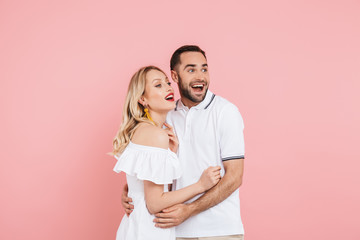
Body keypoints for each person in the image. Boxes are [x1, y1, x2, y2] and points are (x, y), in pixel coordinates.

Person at [122, 46, 246, 240]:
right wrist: (130, 193)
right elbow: (150, 172)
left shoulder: (225, 112)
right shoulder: (166, 115)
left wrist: (190, 210)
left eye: (204, 69)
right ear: (175, 76)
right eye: (191, 70)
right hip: (172, 229)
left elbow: (235, 177)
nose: (200, 76)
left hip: (219, 231)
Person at [112, 65, 221, 240]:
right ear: (142, 99)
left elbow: (144, 189)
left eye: (167, 82)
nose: (168, 88)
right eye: (158, 85)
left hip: (139, 227)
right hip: (149, 230)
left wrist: (171, 153)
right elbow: (155, 204)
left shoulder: (146, 131)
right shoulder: (155, 134)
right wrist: (201, 185)